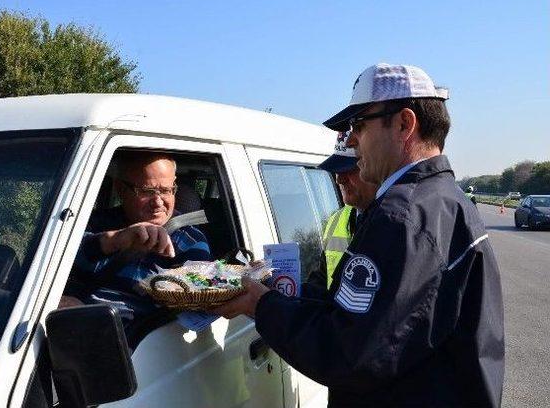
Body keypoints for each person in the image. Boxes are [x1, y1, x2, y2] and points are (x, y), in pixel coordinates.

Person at [214, 63, 505, 407]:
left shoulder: (402, 217)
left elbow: (346, 352)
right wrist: (279, 292)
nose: (350, 140)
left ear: (403, 124)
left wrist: (259, 304)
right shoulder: (441, 200)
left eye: (359, 125)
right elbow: (361, 316)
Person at [67, 152, 211, 313]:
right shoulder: (94, 223)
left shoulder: (189, 240)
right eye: (147, 191)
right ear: (120, 189)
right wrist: (114, 240)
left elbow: (198, 296)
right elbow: (58, 257)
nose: (157, 202)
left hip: (130, 333)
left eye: (165, 190)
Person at [306, 130, 378, 291]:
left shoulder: (396, 220)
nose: (339, 179)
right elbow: (321, 285)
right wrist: (277, 287)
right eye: (337, 170)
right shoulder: (335, 221)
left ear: (374, 167)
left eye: (349, 169)